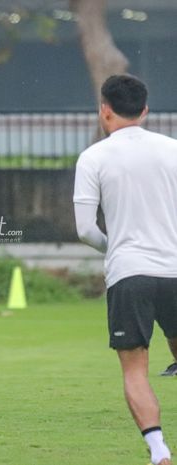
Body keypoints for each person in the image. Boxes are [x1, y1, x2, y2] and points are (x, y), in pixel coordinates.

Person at [74, 74, 176, 465]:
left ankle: (158, 450)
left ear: (104, 110)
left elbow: (85, 229)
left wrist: (112, 248)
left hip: (130, 273)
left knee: (136, 370)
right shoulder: (173, 150)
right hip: (176, 269)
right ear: (145, 110)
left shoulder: (94, 157)